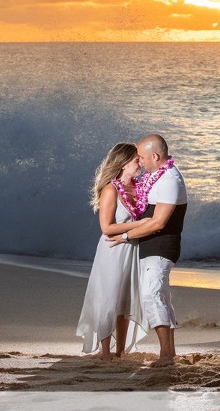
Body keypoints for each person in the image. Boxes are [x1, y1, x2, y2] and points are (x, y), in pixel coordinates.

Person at [107, 134, 188, 367]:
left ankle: (165, 355)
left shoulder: (170, 179)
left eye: (142, 157)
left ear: (155, 156)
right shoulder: (155, 177)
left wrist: (124, 236)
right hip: (150, 246)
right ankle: (169, 352)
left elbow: (158, 222)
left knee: (151, 295)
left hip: (162, 246)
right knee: (159, 296)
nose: (139, 161)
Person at [76, 143, 150, 361]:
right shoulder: (111, 190)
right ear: (124, 163)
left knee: (125, 300)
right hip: (113, 250)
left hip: (133, 249)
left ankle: (121, 350)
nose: (141, 163)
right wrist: (140, 225)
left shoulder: (139, 188)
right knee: (108, 298)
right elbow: (106, 228)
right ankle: (106, 350)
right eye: (137, 160)